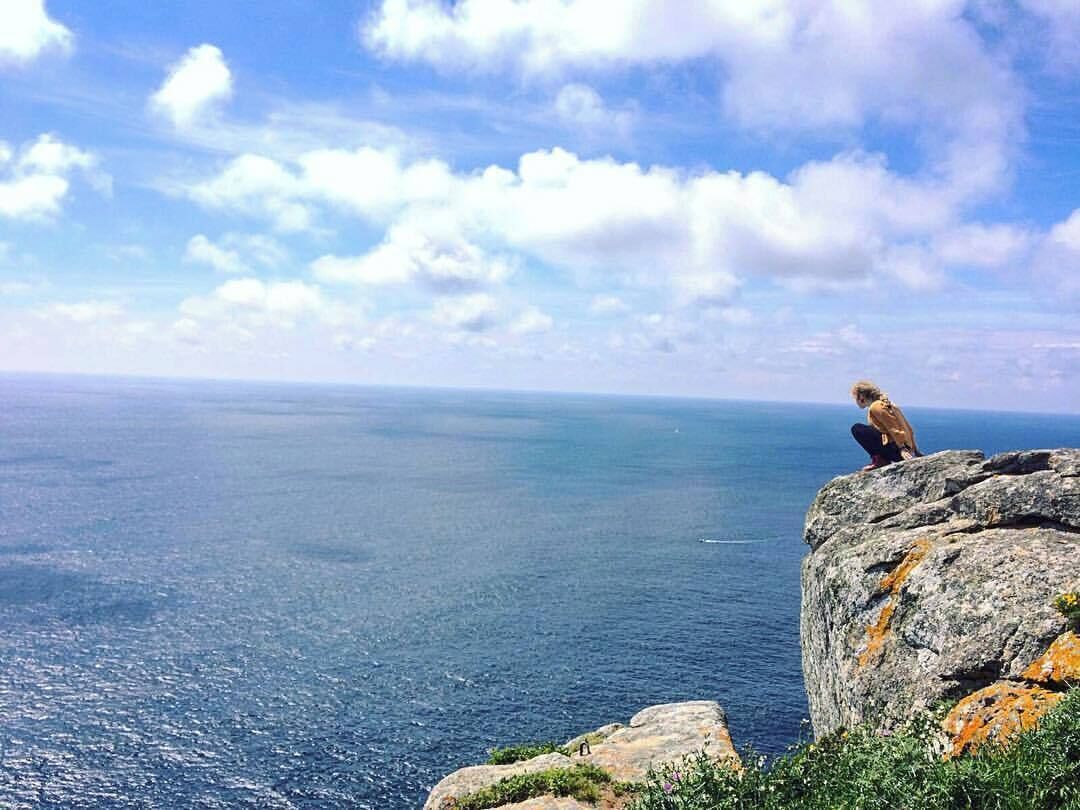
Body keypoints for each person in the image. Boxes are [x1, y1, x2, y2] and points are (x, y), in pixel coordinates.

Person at [850, 381, 922, 470]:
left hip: (899, 452)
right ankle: (881, 459)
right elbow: (908, 428)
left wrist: (902, 448)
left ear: (861, 397)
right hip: (905, 450)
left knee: (857, 428)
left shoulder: (876, 406)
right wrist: (915, 450)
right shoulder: (888, 404)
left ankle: (880, 461)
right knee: (869, 429)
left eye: (855, 398)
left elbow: (893, 427)